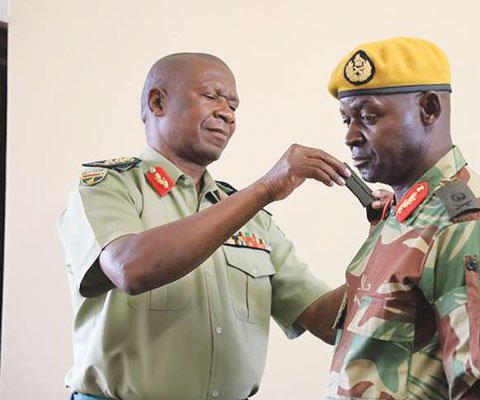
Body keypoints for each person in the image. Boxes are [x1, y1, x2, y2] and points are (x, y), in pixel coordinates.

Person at [58, 52, 376, 400]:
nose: (226, 113)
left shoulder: (250, 216)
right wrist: (265, 189)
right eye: (211, 96)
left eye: (234, 106)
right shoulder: (109, 187)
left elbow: (326, 320)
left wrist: (386, 241)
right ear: (158, 102)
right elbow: (130, 268)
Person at [325, 37, 480, 399]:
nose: (350, 136)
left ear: (429, 109)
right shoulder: (406, 212)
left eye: (368, 117)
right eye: (347, 119)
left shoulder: (466, 224)